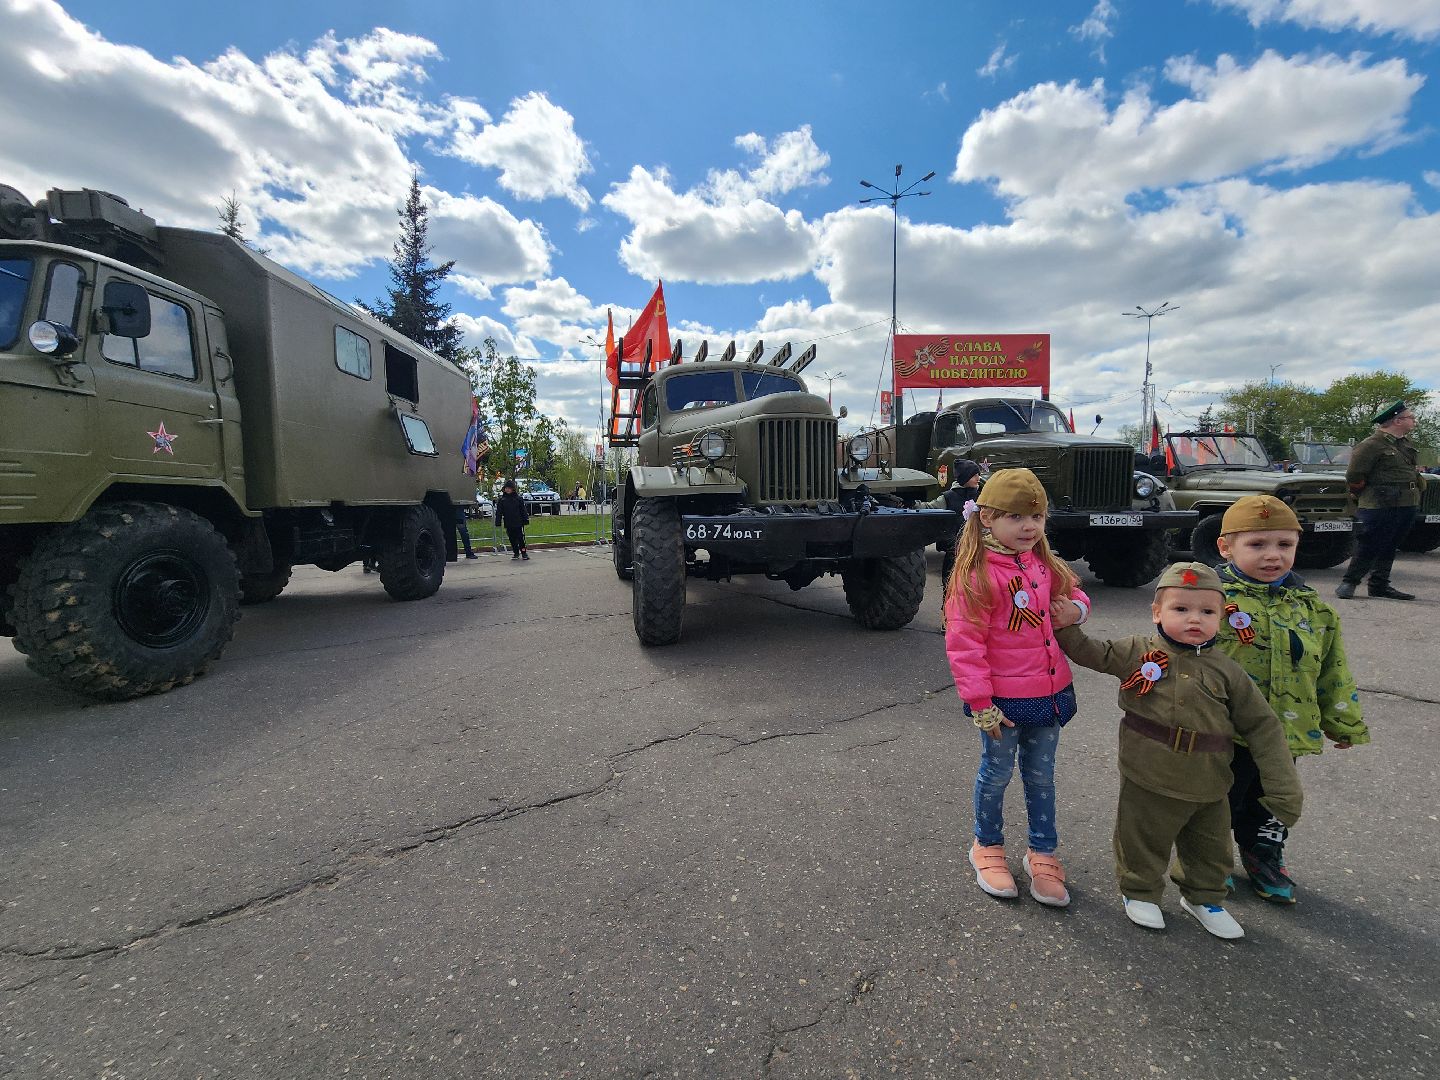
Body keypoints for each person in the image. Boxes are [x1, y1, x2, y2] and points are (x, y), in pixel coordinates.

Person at [1052, 562, 1302, 940]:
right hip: (1147, 773)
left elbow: (1262, 727)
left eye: (1206, 611)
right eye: (1180, 609)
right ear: (1157, 612)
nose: (1194, 619)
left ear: (1222, 616)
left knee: (1210, 846)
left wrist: (1283, 787)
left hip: (1210, 780)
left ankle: (1203, 897)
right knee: (1141, 837)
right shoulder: (1138, 650)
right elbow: (1092, 653)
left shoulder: (1228, 672)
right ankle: (1140, 891)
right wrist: (1064, 624)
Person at [944, 468, 1089, 908]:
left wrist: (1076, 612)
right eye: (1016, 517)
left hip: (1049, 693)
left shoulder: (1044, 564)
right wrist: (979, 703)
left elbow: (1077, 595)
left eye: (1037, 517)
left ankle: (1042, 852)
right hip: (1002, 703)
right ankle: (986, 845)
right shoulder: (975, 575)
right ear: (986, 517)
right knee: (997, 775)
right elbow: (964, 644)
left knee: (1041, 778)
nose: (1029, 527)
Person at [1213, 495, 1366, 904]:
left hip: (1284, 727)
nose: (1273, 556)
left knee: (1272, 800)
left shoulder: (1311, 607)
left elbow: (1332, 669)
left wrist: (1343, 721)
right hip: (1223, 729)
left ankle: (1263, 853)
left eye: (1284, 545)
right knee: (1216, 798)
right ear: (1225, 547)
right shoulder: (1211, 600)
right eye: (1257, 545)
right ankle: (1209, 859)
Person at [1337, 400, 1427, 600]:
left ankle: (1379, 585)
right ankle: (1349, 582)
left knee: (1390, 544)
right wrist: (1364, 495)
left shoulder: (1403, 444)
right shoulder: (1371, 445)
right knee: (1370, 542)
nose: (1414, 421)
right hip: (1379, 504)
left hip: (1406, 502)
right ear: (1397, 420)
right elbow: (1354, 476)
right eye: (1411, 417)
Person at [919, 458, 982, 595]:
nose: (978, 478)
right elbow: (930, 507)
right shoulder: (948, 497)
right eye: (974, 475)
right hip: (955, 550)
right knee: (951, 584)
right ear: (965, 478)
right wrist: (913, 505)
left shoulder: (981, 496)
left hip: (977, 548)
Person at [494, 478, 530, 560]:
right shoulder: (502, 500)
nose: (507, 490)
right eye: (506, 488)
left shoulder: (518, 499)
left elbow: (523, 510)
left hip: (518, 522)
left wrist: (525, 519)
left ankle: (524, 552)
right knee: (512, 538)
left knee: (520, 538)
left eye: (509, 488)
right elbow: (499, 512)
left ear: (513, 489)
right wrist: (498, 521)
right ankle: (516, 552)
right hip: (508, 522)